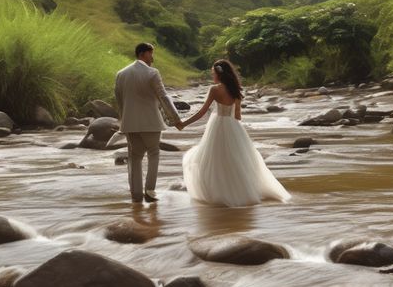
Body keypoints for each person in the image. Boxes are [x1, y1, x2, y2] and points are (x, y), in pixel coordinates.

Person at [179, 60, 291, 206]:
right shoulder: (235, 90)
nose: (212, 76)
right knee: (237, 160)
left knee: (214, 160)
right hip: (233, 127)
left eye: (213, 73)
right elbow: (238, 116)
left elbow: (202, 112)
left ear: (218, 74)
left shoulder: (214, 89)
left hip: (217, 126)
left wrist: (184, 123)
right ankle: (241, 192)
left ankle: (220, 192)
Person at [114, 43, 182, 204]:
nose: (153, 58)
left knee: (135, 158)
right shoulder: (152, 73)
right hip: (151, 122)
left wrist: (124, 118)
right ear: (143, 54)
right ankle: (150, 191)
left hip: (130, 123)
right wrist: (175, 119)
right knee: (154, 154)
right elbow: (163, 97)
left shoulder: (121, 74)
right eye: (151, 54)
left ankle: (136, 196)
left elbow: (119, 99)